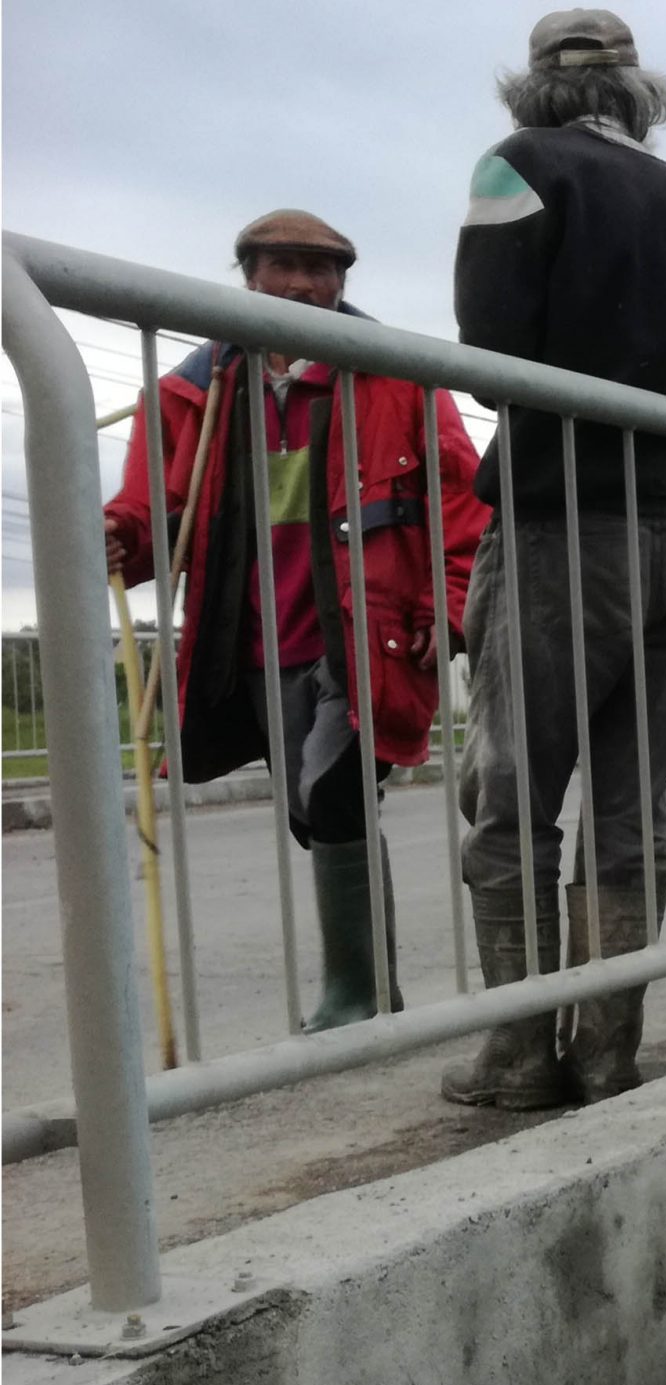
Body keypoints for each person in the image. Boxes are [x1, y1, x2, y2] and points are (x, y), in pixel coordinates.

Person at [442, 8, 666, 1110]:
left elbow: (490, 357)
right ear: (635, 91)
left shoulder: (517, 167)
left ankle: (519, 1054)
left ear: (533, 89)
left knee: (513, 799)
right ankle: (607, 1048)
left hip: (562, 525)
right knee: (631, 807)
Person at [100, 210, 485, 1032]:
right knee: (311, 807)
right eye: (283, 266)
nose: (304, 285)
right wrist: (117, 537)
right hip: (252, 638)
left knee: (336, 791)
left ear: (344, 284)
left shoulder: (395, 375)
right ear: (248, 276)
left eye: (323, 270)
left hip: (364, 633)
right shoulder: (191, 391)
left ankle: (357, 997)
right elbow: (150, 511)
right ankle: (369, 989)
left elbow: (461, 501)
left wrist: (449, 608)